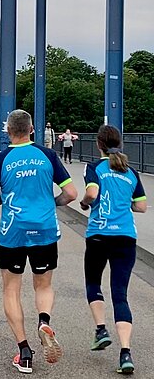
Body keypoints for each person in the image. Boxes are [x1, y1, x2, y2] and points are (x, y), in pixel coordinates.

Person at [0, 109, 77, 374]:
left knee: (11, 289)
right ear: (32, 130)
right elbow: (71, 193)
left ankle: (23, 351)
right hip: (44, 229)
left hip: (13, 232)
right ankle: (44, 321)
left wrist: (0, 198)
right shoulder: (48, 155)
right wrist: (51, 203)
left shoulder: (2, 159)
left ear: (8, 131)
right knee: (43, 285)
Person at [80, 125, 147, 375]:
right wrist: (124, 202)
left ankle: (101, 330)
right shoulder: (131, 172)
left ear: (99, 145)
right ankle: (126, 353)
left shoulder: (94, 168)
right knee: (120, 294)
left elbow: (92, 192)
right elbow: (141, 207)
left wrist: (86, 203)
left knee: (93, 284)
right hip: (125, 238)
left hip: (99, 235)